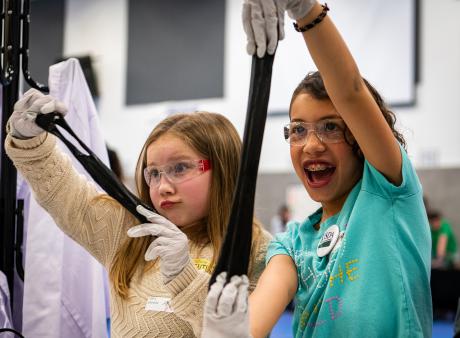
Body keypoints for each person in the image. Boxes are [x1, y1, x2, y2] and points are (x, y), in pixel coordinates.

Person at [202, 0, 432, 337]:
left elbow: (351, 92)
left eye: (330, 127)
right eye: (297, 130)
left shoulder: (389, 194)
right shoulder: (293, 242)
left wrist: (305, 10)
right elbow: (260, 313)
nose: (311, 145)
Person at [5, 89, 272, 337]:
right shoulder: (130, 233)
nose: (163, 187)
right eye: (153, 173)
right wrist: (30, 143)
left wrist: (186, 277)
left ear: (223, 168)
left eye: (180, 168)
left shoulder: (258, 248)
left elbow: (243, 333)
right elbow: (65, 192)